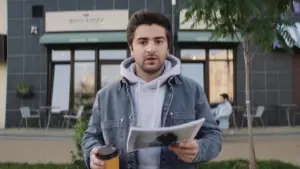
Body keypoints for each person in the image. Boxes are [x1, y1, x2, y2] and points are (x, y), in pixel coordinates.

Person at [82, 9, 222, 169]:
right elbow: (91, 136)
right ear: (131, 47)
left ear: (168, 45)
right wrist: (91, 154)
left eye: (158, 41)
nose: (151, 49)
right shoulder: (107, 95)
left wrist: (199, 149)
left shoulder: (192, 90)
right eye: (142, 42)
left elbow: (213, 136)